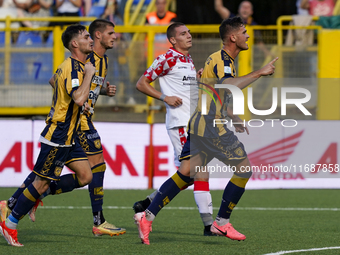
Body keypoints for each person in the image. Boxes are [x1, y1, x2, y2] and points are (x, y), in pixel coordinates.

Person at [133, 16, 278, 245]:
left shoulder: (213, 60)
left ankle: (146, 215)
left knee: (186, 173)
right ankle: (220, 221)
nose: (247, 35)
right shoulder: (222, 59)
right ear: (233, 37)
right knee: (243, 169)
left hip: (199, 124)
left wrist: (231, 115)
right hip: (210, 127)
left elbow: (211, 93)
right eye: (244, 31)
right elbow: (228, 85)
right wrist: (259, 72)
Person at [0, 19, 126, 237]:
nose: (115, 36)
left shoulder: (100, 61)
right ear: (97, 36)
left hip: (79, 121)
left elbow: (77, 87)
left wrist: (99, 92)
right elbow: (59, 82)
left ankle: (13, 202)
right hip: (75, 125)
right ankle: (98, 221)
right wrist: (78, 97)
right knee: (93, 167)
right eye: (111, 33)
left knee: (63, 173)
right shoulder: (84, 61)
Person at [132, 22, 215, 236]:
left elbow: (183, 88)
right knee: (195, 173)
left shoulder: (186, 59)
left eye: (189, 32)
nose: (189, 35)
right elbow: (141, 83)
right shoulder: (166, 58)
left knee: (186, 176)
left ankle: (147, 205)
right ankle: (209, 225)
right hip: (181, 124)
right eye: (183, 33)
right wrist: (164, 97)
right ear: (172, 40)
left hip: (193, 124)